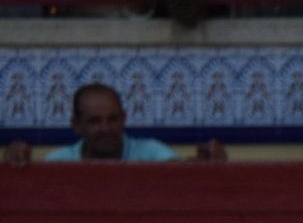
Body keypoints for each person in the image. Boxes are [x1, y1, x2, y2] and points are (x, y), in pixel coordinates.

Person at [4, 83, 225, 165]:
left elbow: (179, 173)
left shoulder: (151, 151)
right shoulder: (59, 161)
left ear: (123, 119)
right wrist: (13, 163)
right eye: (94, 121)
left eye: (112, 119)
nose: (105, 128)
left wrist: (208, 164)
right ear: (76, 125)